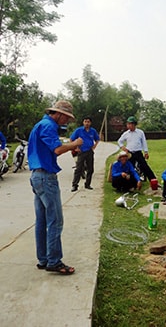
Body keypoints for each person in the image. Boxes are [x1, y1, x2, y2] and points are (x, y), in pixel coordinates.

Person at [28, 100, 83, 275]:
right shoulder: (48, 126)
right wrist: (75, 144)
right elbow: (58, 149)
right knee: (55, 220)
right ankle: (54, 261)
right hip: (45, 177)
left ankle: (43, 259)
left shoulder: (40, 125)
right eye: (66, 118)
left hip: (37, 176)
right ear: (58, 114)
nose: (67, 122)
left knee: (42, 220)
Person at [117, 116, 156, 182]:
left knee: (144, 166)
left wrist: (146, 152)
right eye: (128, 124)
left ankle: (153, 179)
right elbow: (119, 141)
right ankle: (131, 181)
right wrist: (123, 148)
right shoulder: (126, 133)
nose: (129, 126)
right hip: (130, 153)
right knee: (130, 167)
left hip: (138, 152)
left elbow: (144, 142)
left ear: (134, 124)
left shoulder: (140, 132)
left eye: (130, 124)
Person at [70, 116, 100, 191]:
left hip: (89, 151)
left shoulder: (92, 131)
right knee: (79, 168)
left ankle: (87, 184)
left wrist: (94, 146)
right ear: (83, 122)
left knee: (90, 169)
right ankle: (75, 185)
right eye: (85, 121)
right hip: (81, 151)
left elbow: (97, 139)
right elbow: (71, 139)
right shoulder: (79, 130)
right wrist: (75, 148)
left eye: (88, 122)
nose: (87, 123)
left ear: (90, 123)